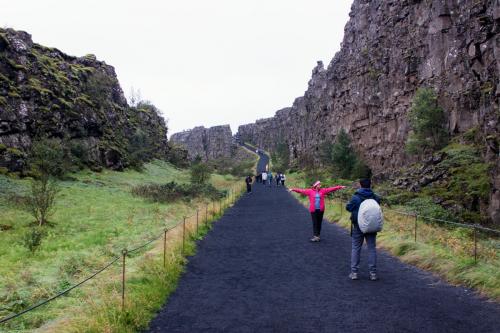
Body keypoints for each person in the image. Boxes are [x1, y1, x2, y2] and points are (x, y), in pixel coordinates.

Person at [346, 178, 380, 281]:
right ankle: (373, 273)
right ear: (370, 185)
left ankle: (354, 272)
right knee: (371, 248)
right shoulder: (375, 197)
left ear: (360, 185)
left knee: (356, 248)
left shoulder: (355, 197)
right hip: (371, 226)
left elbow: (348, 208)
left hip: (358, 226)